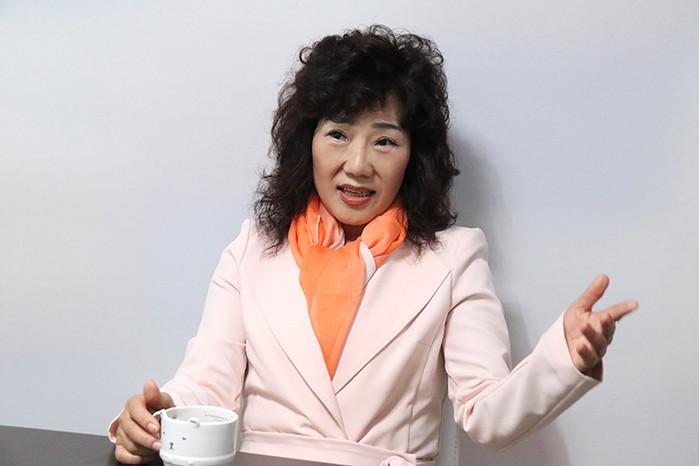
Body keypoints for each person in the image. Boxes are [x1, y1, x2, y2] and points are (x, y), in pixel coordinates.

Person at [109, 25, 638, 465]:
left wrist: (564, 357)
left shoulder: (455, 258)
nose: (358, 165)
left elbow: (488, 415)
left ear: (414, 157)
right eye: (338, 134)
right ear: (307, 142)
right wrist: (157, 416)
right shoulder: (253, 248)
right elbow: (206, 383)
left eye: (385, 140)